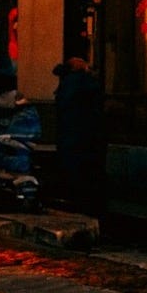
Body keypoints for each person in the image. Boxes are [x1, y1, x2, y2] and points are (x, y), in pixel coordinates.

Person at [52, 56, 105, 214]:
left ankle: (74, 196)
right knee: (84, 168)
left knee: (72, 166)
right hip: (85, 133)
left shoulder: (66, 83)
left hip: (69, 132)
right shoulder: (85, 83)